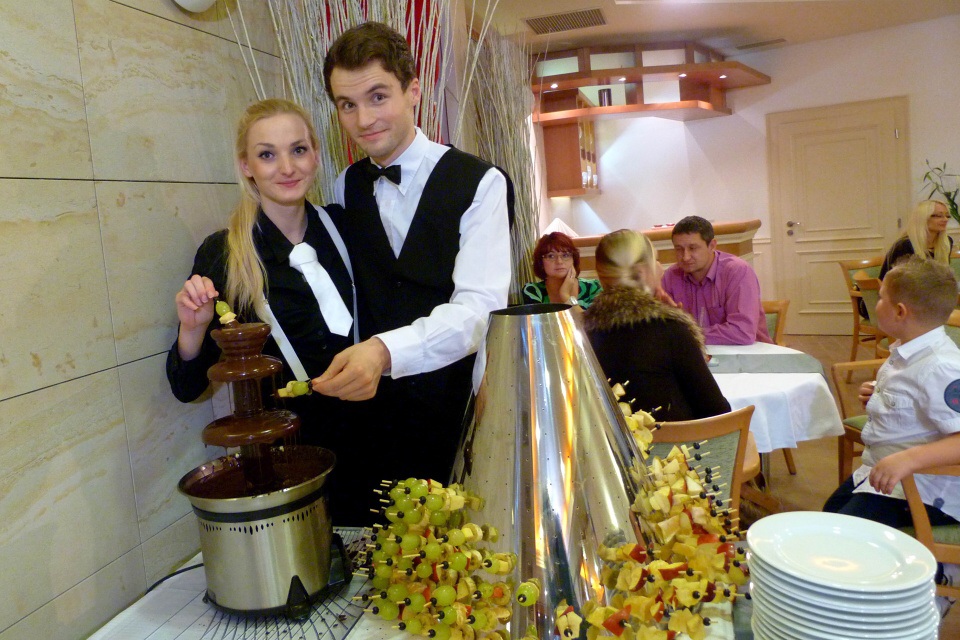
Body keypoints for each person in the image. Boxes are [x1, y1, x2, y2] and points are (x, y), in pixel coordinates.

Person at [314, 22, 510, 489]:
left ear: (413, 92)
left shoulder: (481, 183)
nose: (364, 120)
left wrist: (385, 351)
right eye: (347, 104)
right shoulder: (346, 185)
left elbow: (478, 312)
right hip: (372, 420)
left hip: (456, 410)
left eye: (378, 96)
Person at [166, 98, 367, 524]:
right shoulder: (224, 253)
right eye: (267, 155)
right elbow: (186, 387)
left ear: (316, 155)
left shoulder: (347, 228)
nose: (287, 168)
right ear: (246, 166)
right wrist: (192, 330)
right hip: (285, 462)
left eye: (298, 150)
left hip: (373, 437)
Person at [823, 257, 960, 617]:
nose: (876, 302)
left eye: (881, 297)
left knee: (843, 542)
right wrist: (878, 396)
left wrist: (908, 459)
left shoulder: (942, 366)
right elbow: (915, 405)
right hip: (883, 475)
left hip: (925, 488)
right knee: (829, 519)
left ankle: (929, 584)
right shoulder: (906, 351)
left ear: (900, 311)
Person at [584, 229, 730, 422]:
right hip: (673, 440)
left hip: (608, 441)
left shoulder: (585, 332)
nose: (661, 269)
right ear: (643, 271)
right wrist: (678, 322)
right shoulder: (668, 329)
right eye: (656, 260)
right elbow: (716, 410)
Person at [660, 215, 771, 345]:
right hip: (696, 352)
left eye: (692, 248)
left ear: (712, 246)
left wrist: (688, 333)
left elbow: (742, 332)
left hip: (749, 353)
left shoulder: (737, 271)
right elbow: (662, 329)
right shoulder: (671, 276)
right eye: (679, 249)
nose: (685, 257)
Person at [521, 232, 602, 308]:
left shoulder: (593, 287)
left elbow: (588, 318)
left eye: (565, 255)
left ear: (573, 259)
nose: (559, 261)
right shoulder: (532, 290)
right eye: (551, 256)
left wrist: (565, 295)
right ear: (541, 262)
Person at [879, 200, 954, 280]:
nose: (945, 219)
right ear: (923, 218)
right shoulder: (905, 245)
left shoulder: (946, 242)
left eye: (947, 216)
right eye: (939, 216)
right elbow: (896, 280)